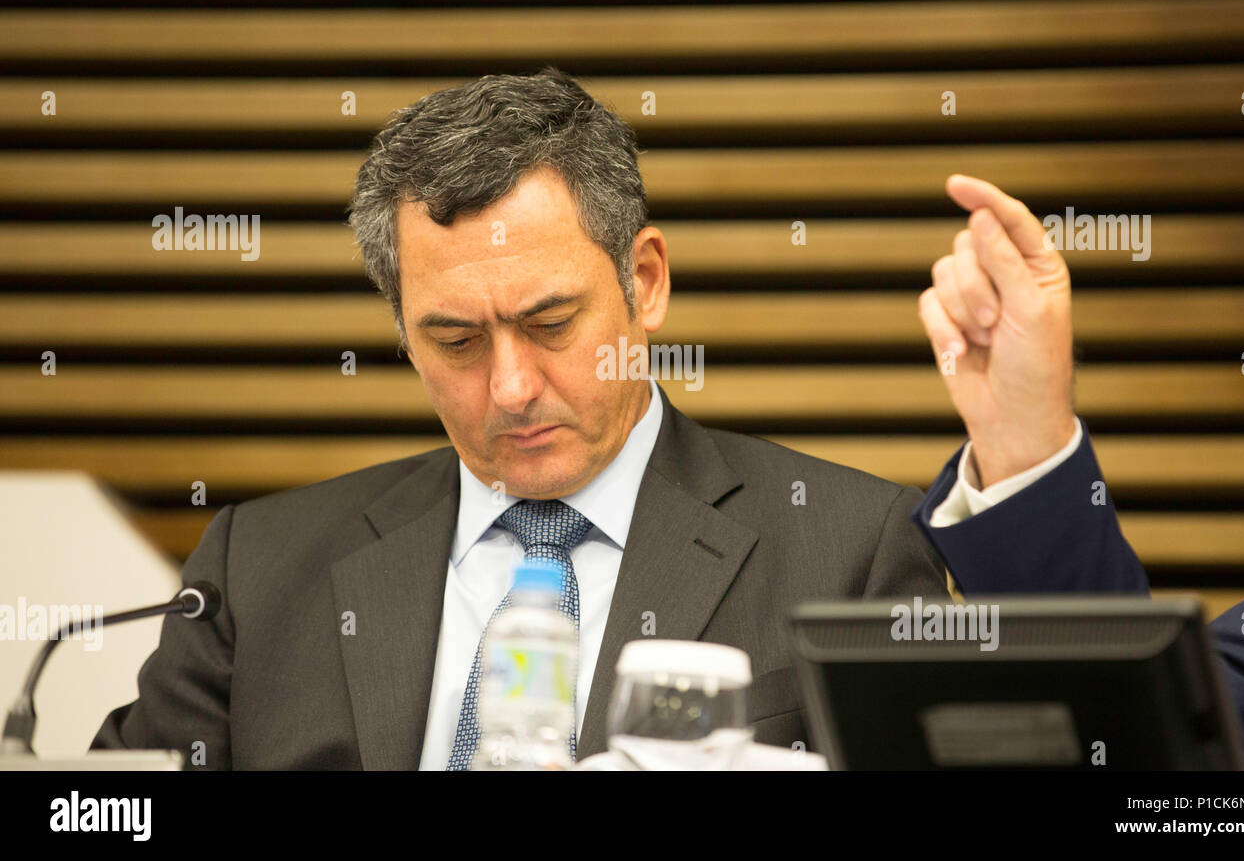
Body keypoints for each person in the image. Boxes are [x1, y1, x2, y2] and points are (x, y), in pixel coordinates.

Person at [92, 67, 1141, 769]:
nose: (509, 386)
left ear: (644, 281)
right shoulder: (262, 561)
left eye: (550, 322)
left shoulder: (846, 546)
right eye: (454, 340)